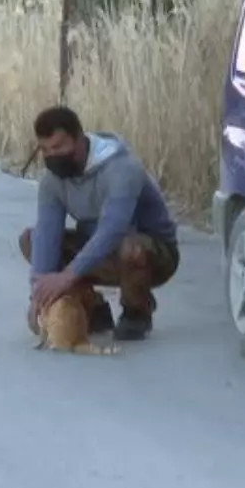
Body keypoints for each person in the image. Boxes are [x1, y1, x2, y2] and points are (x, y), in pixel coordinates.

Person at [18, 106, 180, 341]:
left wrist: (65, 277)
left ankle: (137, 311)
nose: (52, 155)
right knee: (31, 240)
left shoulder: (123, 169)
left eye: (58, 147)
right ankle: (93, 308)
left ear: (79, 140)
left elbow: (113, 230)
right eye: (44, 149)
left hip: (152, 254)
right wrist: (38, 294)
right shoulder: (52, 182)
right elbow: (47, 233)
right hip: (103, 251)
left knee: (131, 248)